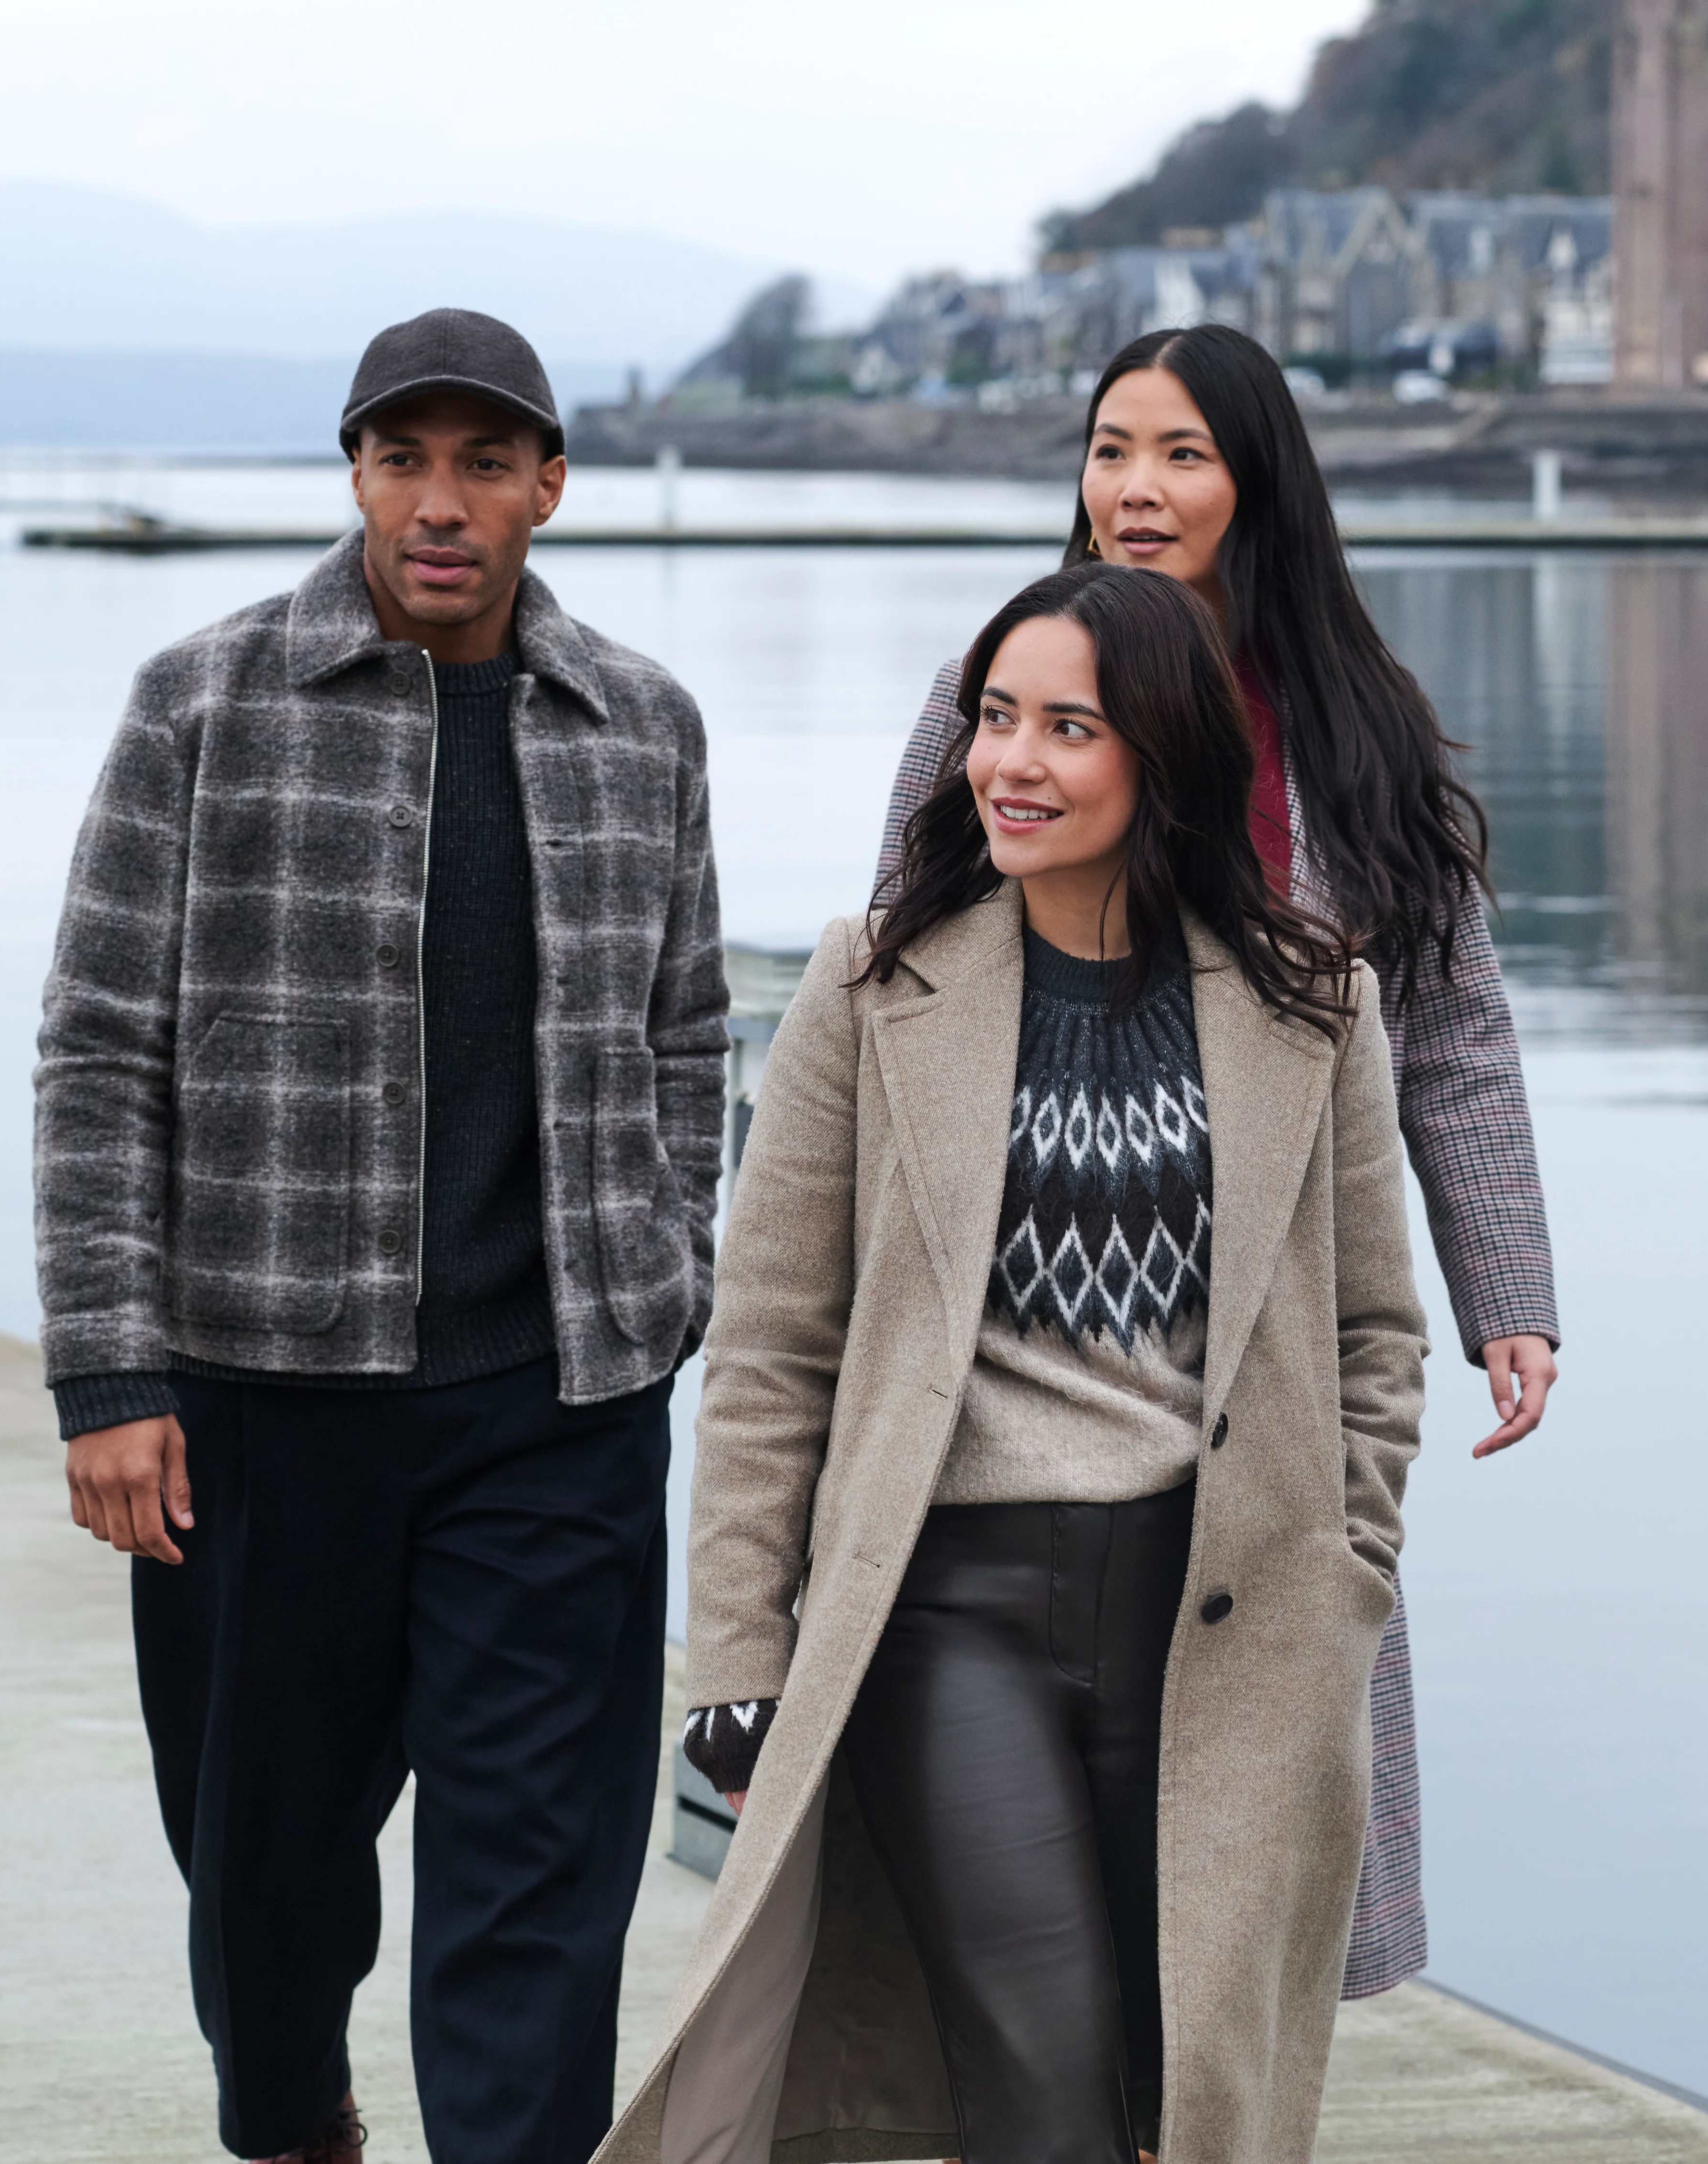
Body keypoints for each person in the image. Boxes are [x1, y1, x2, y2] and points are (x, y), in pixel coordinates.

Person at [605, 560, 1422, 2164]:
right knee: (1036, 2082)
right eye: (994, 719)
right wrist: (741, 1653)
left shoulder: (1315, 1003)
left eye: (1068, 727)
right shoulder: (869, 985)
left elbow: (1373, 1333)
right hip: (945, 1609)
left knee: (1177, 2091)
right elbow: (772, 1350)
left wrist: (1348, 1574)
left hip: (1228, 1619)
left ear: (1165, 760)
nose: (1012, 763)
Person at [37, 307, 727, 2164]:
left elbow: (684, 1032)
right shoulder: (208, 698)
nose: (442, 503)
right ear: (353, 475)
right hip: (263, 1397)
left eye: (484, 464)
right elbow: (100, 1047)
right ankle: (291, 2114)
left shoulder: (641, 725)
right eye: (404, 459)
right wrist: (108, 1372)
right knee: (263, 1883)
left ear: (548, 488)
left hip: (557, 1402)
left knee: (536, 1886)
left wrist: (667, 1277)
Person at [868, 323, 1555, 1995]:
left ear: (1256, 483)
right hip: (1030, 1326)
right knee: (1011, 1925)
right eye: (1111, 447)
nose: (1138, 487)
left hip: (1278, 1322)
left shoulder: (1358, 728)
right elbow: (902, 981)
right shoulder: (999, 699)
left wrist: (1505, 1294)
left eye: (1180, 452)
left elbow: (1450, 1035)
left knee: (1239, 1859)